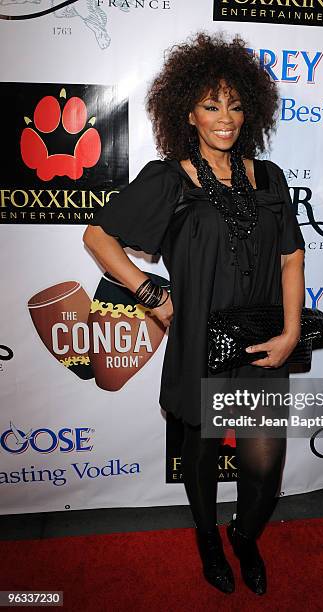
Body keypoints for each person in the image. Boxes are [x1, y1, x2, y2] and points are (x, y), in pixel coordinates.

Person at [83, 32, 305, 596]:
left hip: (262, 345)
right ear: (190, 112)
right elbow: (99, 237)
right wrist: (152, 295)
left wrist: (291, 332)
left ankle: (245, 534)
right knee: (202, 457)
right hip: (199, 345)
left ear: (248, 110)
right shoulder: (170, 179)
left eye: (234, 104)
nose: (224, 117)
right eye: (211, 105)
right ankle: (208, 536)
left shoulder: (270, 179)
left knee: (264, 464)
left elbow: (290, 258)